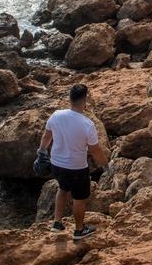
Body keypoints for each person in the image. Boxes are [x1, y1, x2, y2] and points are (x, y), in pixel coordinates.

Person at [37, 84, 109, 240]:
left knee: (62, 189)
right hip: (77, 168)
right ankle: (79, 230)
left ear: (70, 98)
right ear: (85, 100)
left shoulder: (56, 115)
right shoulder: (87, 124)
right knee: (79, 198)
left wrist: (41, 152)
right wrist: (105, 166)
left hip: (56, 164)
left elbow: (46, 137)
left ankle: (57, 223)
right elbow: (95, 150)